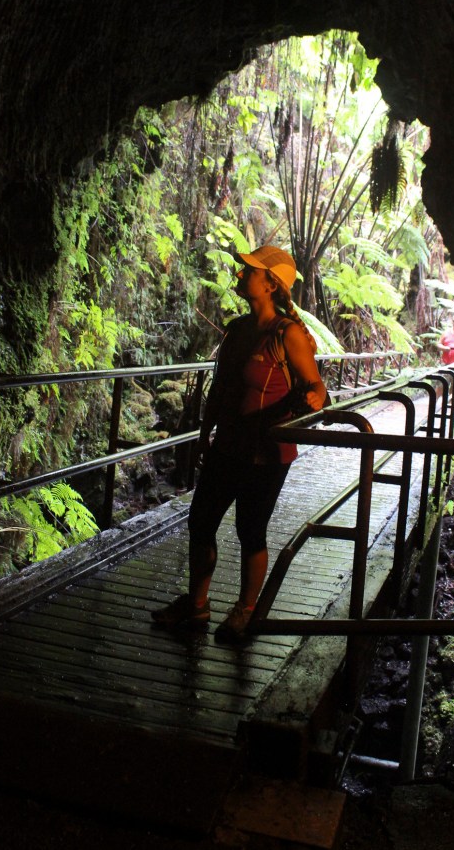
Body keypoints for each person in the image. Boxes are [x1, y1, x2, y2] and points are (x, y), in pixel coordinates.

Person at [152, 245, 327, 641]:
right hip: (228, 445)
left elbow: (316, 385)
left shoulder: (288, 334)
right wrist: (203, 433)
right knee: (201, 522)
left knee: (251, 531)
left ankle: (245, 611)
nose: (241, 272)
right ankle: (196, 606)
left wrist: (315, 396)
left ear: (270, 285)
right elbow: (221, 389)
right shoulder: (237, 329)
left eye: (250, 270)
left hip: (266, 453)